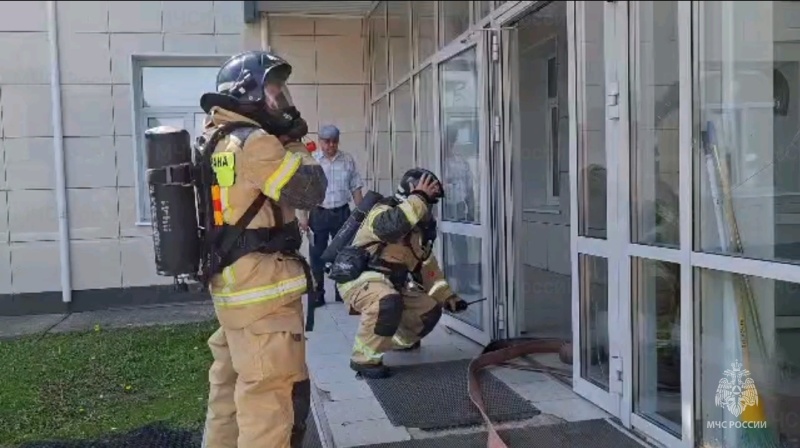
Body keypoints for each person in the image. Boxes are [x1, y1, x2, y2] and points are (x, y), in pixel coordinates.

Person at [197, 51, 327, 448]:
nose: (281, 100)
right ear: (248, 93)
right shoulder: (256, 144)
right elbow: (311, 189)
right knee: (268, 406)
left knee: (228, 398)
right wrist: (297, 143)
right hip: (263, 300)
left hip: (234, 293)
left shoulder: (216, 139)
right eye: (274, 91)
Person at [334, 168, 469, 379]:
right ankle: (364, 360)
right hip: (360, 280)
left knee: (429, 310)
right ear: (411, 195)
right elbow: (392, 226)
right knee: (387, 300)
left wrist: (448, 298)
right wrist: (419, 198)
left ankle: (399, 342)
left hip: (391, 285)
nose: (429, 208)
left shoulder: (416, 233)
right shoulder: (383, 211)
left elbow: (428, 268)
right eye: (427, 201)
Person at [300, 124, 364, 306]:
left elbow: (356, 187)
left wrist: (361, 214)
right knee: (317, 255)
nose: (331, 145)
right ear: (320, 142)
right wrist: (303, 217)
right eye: (327, 142)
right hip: (318, 213)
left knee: (343, 254)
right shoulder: (312, 161)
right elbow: (305, 192)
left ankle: (342, 292)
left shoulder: (347, 160)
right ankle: (318, 294)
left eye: (334, 142)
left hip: (342, 213)